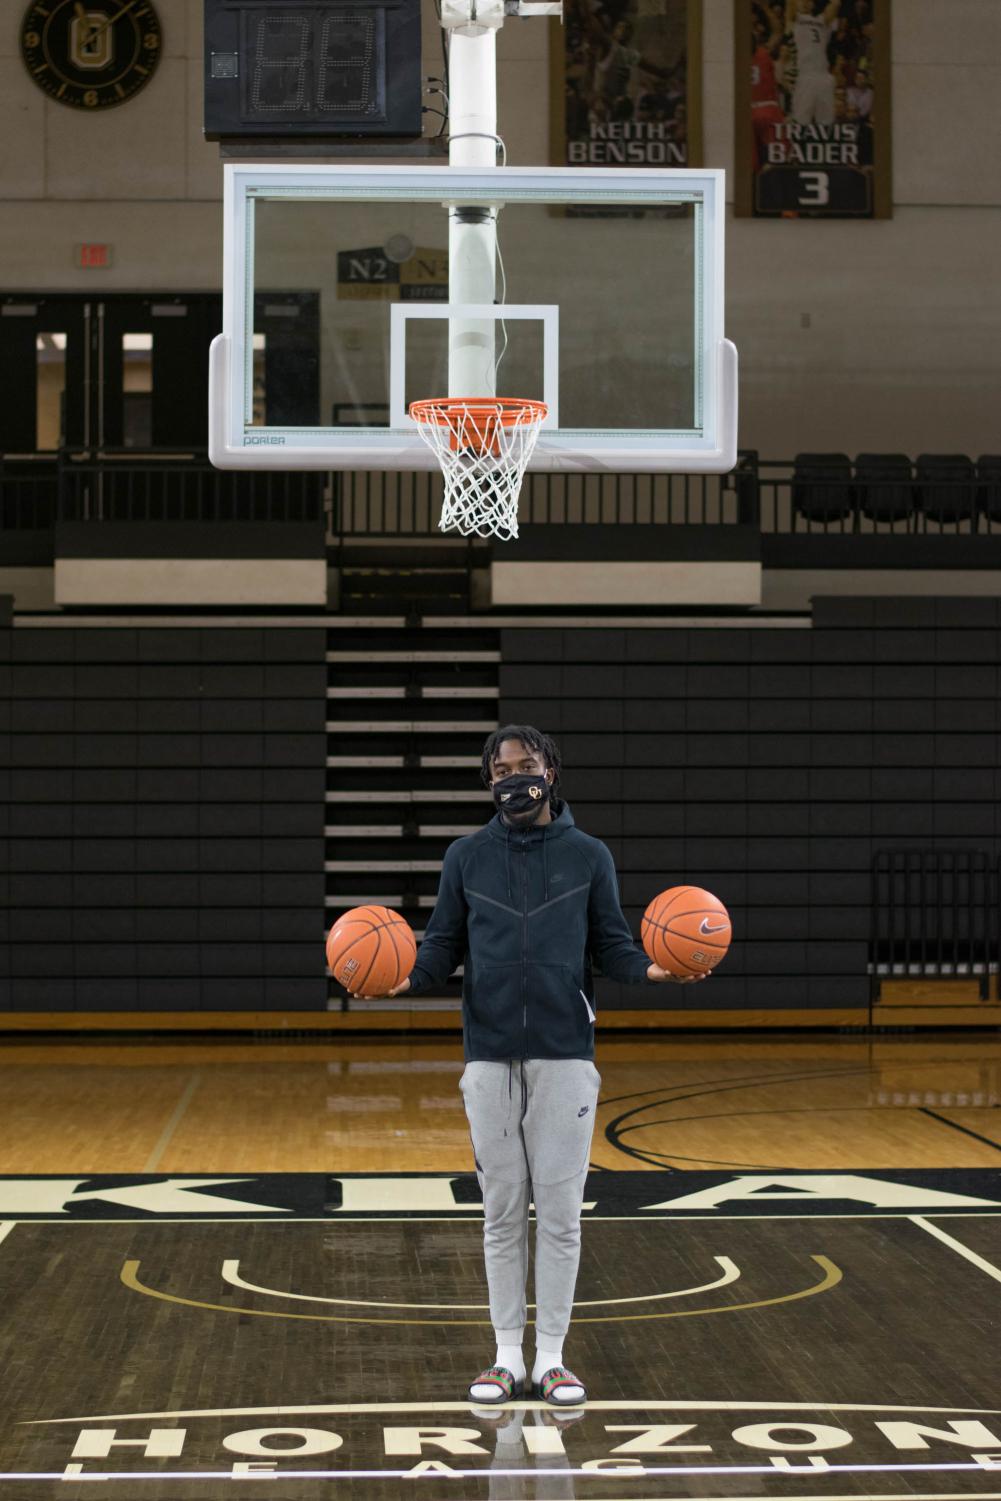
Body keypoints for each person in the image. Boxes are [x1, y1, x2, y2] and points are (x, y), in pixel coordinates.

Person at [347, 725, 708, 1407]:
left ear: (551, 771)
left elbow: (611, 946)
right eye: (501, 768)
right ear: (488, 781)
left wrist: (655, 968)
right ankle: (505, 1357)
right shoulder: (465, 856)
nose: (514, 776)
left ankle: (552, 1360)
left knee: (562, 1213)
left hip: (565, 1053)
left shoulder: (588, 855)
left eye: (526, 763)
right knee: (503, 1209)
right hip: (486, 1054)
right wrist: (404, 979)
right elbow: (443, 944)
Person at [785, 0, 841, 127]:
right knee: (801, 122)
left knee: (827, 123)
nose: (805, 2)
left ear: (814, 4)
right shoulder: (794, 19)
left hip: (824, 75)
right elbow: (790, 6)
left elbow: (836, 4)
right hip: (805, 75)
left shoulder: (822, 20)